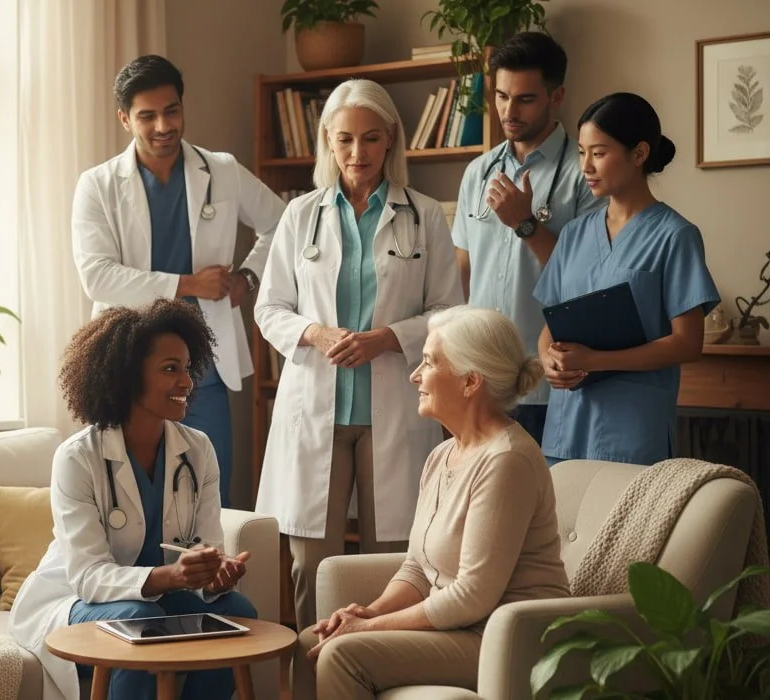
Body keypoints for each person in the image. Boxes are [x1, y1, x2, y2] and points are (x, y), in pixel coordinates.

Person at [254, 78, 464, 631]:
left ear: (391, 139)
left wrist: (386, 338)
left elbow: (449, 310)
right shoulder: (300, 214)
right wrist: (318, 334)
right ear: (327, 140)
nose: (357, 154)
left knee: (390, 563)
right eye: (344, 140)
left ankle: (370, 670)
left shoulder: (425, 215)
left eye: (371, 139)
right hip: (315, 411)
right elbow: (269, 308)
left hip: (393, 407)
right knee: (311, 568)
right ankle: (308, 684)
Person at [293, 306, 570, 699]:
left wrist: (368, 630)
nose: (415, 376)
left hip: (504, 637)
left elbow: (472, 596)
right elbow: (419, 568)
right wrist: (369, 612)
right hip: (462, 627)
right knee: (310, 642)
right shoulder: (442, 455)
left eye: (427, 363)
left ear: (470, 381)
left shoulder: (508, 459)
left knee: (341, 653)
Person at [8, 299, 257, 700]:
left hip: (156, 599)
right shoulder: (78, 458)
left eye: (188, 368)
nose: (188, 382)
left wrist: (213, 574)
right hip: (75, 601)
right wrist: (170, 577)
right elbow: (88, 576)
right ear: (127, 375)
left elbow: (206, 548)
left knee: (236, 611)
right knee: (139, 620)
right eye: (170, 369)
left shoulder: (198, 450)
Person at [71, 54, 286, 507]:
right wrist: (187, 285)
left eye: (172, 111)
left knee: (209, 495)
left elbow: (284, 224)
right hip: (128, 364)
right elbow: (97, 277)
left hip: (201, 367)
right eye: (147, 116)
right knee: (126, 498)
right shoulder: (98, 185)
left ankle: (209, 581)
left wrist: (248, 277)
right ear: (125, 119)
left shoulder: (221, 171)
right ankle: (141, 581)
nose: (163, 126)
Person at [533, 93, 720, 466]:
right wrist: (547, 360)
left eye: (598, 153)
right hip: (565, 429)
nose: (586, 166)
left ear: (639, 153)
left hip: (632, 433)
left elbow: (688, 344)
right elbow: (550, 326)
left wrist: (596, 360)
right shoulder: (573, 234)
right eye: (581, 152)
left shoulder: (675, 235)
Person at [451, 31, 603, 445]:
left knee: (545, 507)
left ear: (557, 96)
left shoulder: (585, 173)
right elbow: (462, 273)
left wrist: (526, 225)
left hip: (545, 385)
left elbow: (590, 280)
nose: (509, 110)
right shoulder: (477, 172)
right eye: (501, 96)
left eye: (525, 99)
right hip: (478, 381)